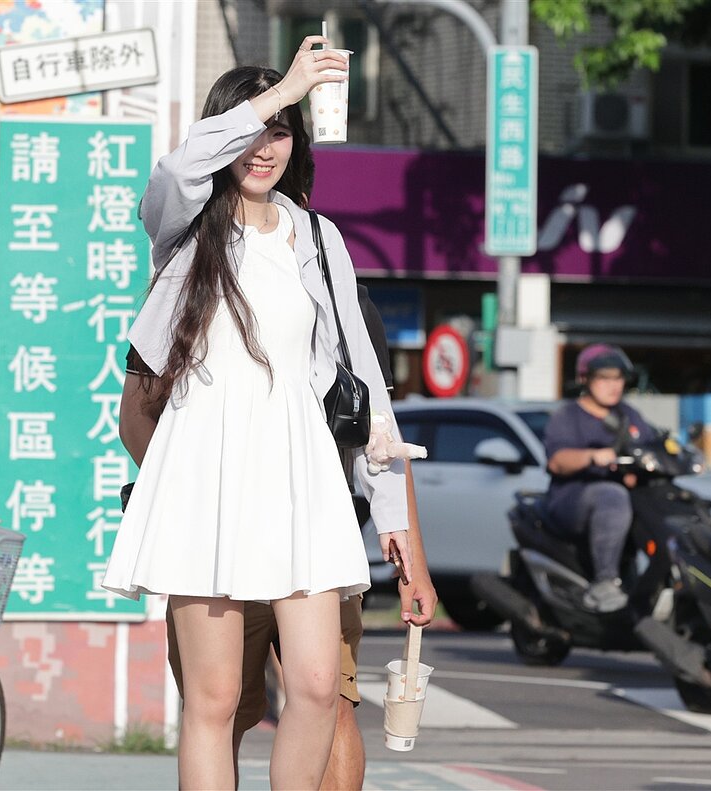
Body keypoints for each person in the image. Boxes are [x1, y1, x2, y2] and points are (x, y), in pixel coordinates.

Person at [100, 43, 414, 790]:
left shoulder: (317, 237)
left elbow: (363, 380)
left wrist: (392, 507)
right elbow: (176, 171)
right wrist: (280, 94)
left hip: (300, 472)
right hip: (207, 469)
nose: (265, 147)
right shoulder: (185, 227)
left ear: (297, 145)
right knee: (211, 699)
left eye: (281, 132)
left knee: (314, 686)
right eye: (252, 130)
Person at [124, 284, 438, 791]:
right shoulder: (191, 276)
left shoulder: (340, 293)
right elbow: (136, 415)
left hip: (317, 546)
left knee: (327, 700)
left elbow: (381, 437)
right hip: (219, 548)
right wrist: (196, 505)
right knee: (221, 708)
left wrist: (412, 563)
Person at [542, 344, 655, 612]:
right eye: (604, 378)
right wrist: (592, 456)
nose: (613, 385)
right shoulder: (568, 415)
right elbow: (557, 461)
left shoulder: (628, 414)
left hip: (623, 495)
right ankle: (605, 580)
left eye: (618, 378)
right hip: (572, 499)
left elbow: (650, 444)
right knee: (611, 495)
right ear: (585, 379)